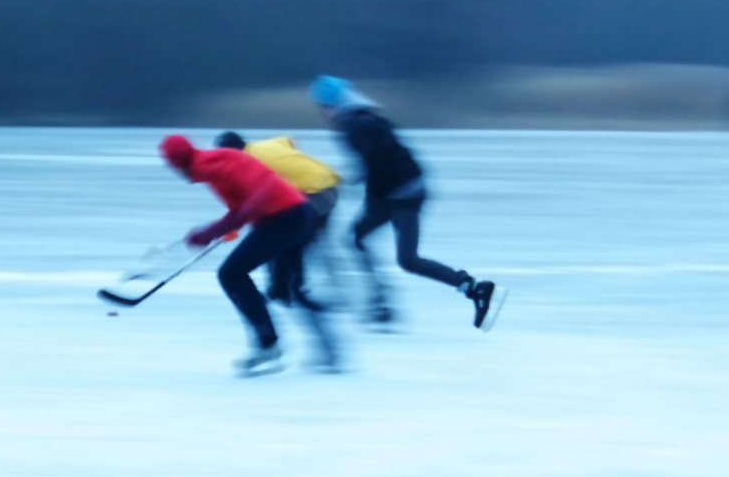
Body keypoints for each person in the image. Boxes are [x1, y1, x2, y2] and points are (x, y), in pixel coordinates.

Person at [309, 75, 500, 330]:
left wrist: (340, 181)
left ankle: (474, 288)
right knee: (357, 237)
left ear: (328, 105)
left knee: (407, 259)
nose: (320, 114)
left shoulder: (352, 123)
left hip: (401, 193)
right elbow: (380, 160)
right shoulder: (361, 116)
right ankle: (380, 303)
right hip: (398, 189)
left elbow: (374, 162)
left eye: (320, 107)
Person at [159, 134, 339, 375]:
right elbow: (242, 204)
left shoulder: (210, 166)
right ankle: (326, 350)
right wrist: (226, 226)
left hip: (285, 218)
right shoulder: (213, 161)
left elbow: (260, 194)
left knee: (231, 275)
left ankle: (269, 344)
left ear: (176, 165)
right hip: (294, 214)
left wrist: (213, 231)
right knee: (284, 288)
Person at [212, 131, 343, 305]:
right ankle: (282, 289)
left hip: (317, 194)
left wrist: (233, 227)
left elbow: (252, 205)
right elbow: (289, 140)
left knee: (287, 240)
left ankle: (289, 291)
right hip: (328, 185)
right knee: (286, 237)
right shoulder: (262, 145)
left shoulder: (248, 164)